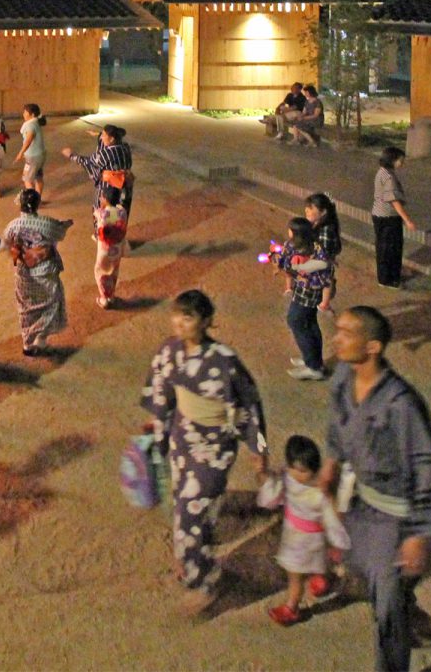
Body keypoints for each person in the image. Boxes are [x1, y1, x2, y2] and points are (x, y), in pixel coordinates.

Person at [319, 307, 431, 672]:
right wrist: (330, 468)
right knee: (374, 585)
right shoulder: (344, 376)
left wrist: (417, 535)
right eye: (337, 330)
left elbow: (424, 467)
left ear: (372, 346)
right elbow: (338, 427)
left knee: (387, 609)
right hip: (363, 506)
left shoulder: (401, 403)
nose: (337, 339)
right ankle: (407, 612)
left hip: (397, 517)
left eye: (347, 333)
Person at [140, 289, 268, 614]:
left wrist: (258, 450)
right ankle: (192, 557)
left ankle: (203, 580)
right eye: (177, 315)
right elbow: (161, 393)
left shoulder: (224, 360)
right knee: (187, 504)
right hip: (182, 438)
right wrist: (156, 425)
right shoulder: (169, 352)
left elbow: (249, 405)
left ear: (207, 321)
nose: (180, 323)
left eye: (189, 316)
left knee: (191, 510)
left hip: (214, 446)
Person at [257, 434, 351, 626]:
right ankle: (323, 579)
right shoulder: (289, 476)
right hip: (303, 536)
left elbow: (332, 516)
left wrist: (338, 541)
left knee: (296, 577)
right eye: (295, 469)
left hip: (302, 541)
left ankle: (292, 608)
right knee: (319, 561)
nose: (299, 474)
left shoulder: (319, 489)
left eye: (303, 470)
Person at [3, 188, 73, 356]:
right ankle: (40, 337)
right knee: (52, 303)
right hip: (44, 271)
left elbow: (6, 243)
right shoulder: (47, 223)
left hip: (23, 273)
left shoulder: (13, 225)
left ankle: (28, 342)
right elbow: (59, 233)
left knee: (26, 308)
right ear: (37, 204)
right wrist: (65, 225)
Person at [276, 217, 333, 380]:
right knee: (310, 324)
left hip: (307, 294)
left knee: (296, 321)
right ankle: (314, 360)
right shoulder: (310, 247)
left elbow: (324, 275)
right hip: (308, 292)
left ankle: (314, 367)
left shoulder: (313, 251)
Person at [62, 123, 134, 219]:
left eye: (104, 135)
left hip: (109, 188)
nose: (102, 138)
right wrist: (98, 134)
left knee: (104, 215)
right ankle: (119, 232)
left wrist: (71, 155)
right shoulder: (126, 148)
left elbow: (89, 162)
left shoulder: (106, 153)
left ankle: (101, 233)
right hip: (126, 187)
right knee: (121, 214)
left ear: (112, 139)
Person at [372, 148, 416, 289]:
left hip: (379, 215)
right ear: (392, 160)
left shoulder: (382, 172)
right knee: (391, 249)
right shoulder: (389, 177)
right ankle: (389, 280)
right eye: (400, 160)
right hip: (388, 217)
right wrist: (407, 220)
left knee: (383, 248)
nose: (402, 163)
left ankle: (386, 276)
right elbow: (394, 201)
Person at [93, 185, 129, 309]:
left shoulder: (101, 213)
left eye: (102, 197)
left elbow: (97, 218)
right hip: (117, 248)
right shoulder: (122, 212)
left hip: (104, 249)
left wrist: (102, 207)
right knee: (113, 271)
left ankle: (104, 299)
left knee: (101, 272)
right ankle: (111, 296)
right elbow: (117, 218)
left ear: (105, 198)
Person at [305, 192, 343, 307]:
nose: (306, 210)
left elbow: (324, 254)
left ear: (323, 212)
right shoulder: (316, 225)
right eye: (307, 206)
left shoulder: (326, 231)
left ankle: (324, 305)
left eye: (311, 208)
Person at [13, 103, 47, 195]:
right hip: (40, 155)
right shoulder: (36, 122)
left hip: (33, 157)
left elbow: (28, 140)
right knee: (38, 177)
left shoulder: (30, 125)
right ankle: (38, 199)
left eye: (25, 112)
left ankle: (32, 201)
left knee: (27, 180)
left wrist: (20, 153)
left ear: (32, 114)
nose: (23, 114)